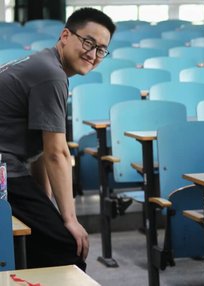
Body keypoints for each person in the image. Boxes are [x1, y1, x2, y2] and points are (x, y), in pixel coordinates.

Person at [0, 8, 115, 270]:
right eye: (88, 42)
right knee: (67, 245)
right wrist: (70, 219)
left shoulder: (44, 64)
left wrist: (48, 206)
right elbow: (56, 153)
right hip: (2, 168)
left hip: (9, 166)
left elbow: (40, 153)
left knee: (45, 237)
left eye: (101, 50)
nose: (93, 54)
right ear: (65, 35)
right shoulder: (50, 74)